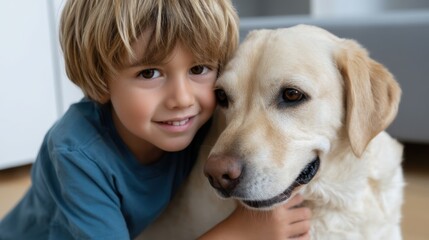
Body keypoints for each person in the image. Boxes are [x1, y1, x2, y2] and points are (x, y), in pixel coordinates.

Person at [0, 0, 311, 239]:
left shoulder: (199, 120)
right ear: (102, 78)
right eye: (149, 73)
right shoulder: (77, 154)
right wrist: (240, 233)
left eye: (199, 69)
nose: (183, 99)